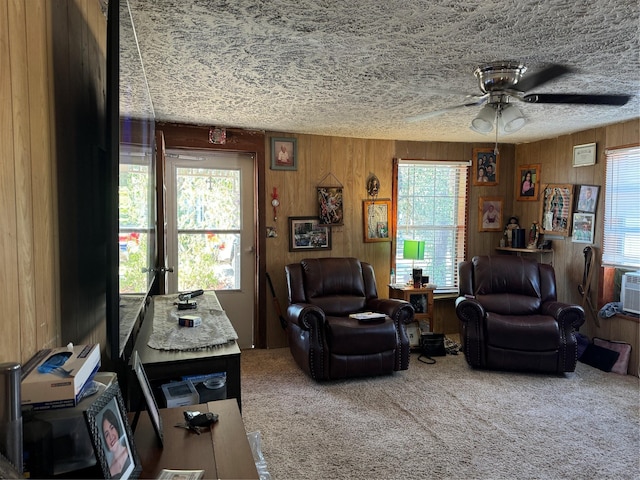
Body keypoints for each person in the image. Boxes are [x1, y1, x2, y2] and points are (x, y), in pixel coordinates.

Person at [102, 407, 131, 479]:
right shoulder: (109, 472)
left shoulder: (131, 453)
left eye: (112, 428)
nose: (111, 437)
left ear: (116, 428)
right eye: (106, 434)